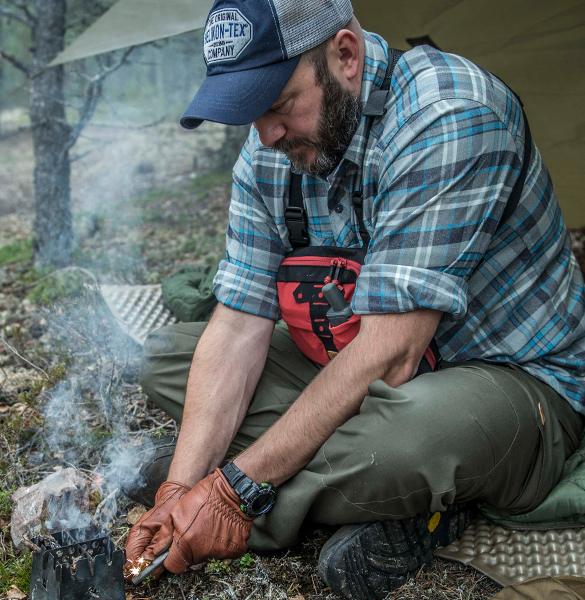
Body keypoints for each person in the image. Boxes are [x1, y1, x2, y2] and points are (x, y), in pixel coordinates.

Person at [124, 1, 585, 598]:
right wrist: (177, 488)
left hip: (510, 379)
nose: (265, 134)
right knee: (168, 356)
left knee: (408, 438)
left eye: (279, 104)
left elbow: (390, 354)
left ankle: (280, 506)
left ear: (345, 54)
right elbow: (238, 327)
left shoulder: (449, 115)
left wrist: (232, 490)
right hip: (359, 364)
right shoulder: (270, 146)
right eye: (250, 112)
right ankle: (391, 495)